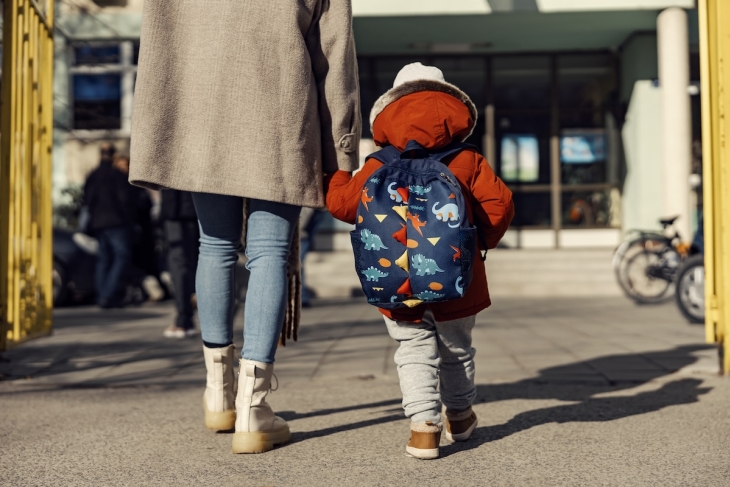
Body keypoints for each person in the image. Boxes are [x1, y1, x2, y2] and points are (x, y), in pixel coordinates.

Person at [128, 2, 360, 454]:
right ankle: (253, 409)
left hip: (201, 119)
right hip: (281, 113)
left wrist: (159, 127)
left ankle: (219, 394)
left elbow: (159, 46)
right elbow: (335, 54)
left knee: (212, 245)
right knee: (269, 253)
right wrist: (343, 148)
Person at [326, 63, 514, 459]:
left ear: (389, 113)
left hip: (396, 279)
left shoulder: (379, 163)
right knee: (457, 348)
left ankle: (423, 429)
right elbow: (499, 207)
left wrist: (338, 176)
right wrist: (482, 243)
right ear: (453, 109)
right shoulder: (467, 160)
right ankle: (460, 418)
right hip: (458, 274)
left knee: (412, 349)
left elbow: (342, 205)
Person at [84, 144, 137, 308]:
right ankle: (108, 294)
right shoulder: (116, 175)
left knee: (104, 259)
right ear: (113, 156)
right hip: (117, 222)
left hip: (98, 223)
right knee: (121, 256)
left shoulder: (93, 175)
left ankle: (102, 295)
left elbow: (87, 200)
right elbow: (125, 200)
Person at [160, 190, 200, 338]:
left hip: (177, 208)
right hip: (202, 202)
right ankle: (217, 330)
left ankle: (184, 319)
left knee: (179, 261)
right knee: (205, 257)